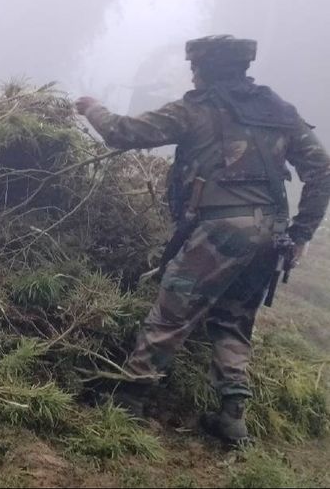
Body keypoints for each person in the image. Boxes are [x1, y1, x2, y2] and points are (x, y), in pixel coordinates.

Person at [75, 35, 330, 447]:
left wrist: (92, 107)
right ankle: (232, 417)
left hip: (220, 231)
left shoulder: (195, 109)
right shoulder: (278, 110)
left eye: (194, 68)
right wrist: (299, 235)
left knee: (172, 310)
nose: (191, 74)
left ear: (205, 69)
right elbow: (322, 169)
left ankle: (130, 397)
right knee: (232, 320)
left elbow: (123, 132)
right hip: (272, 234)